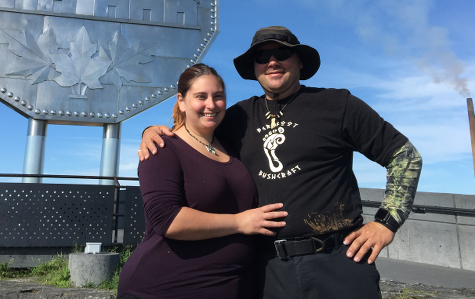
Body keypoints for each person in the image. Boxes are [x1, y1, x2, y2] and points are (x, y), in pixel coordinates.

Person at [140, 26, 422, 299]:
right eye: (262, 57)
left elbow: (404, 155)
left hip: (339, 262)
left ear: (299, 61)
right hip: (266, 270)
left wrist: (387, 222)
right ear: (254, 68)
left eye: (282, 53)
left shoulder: (338, 104)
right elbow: (195, 131)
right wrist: (152, 131)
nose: (272, 61)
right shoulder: (238, 118)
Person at [118, 64, 288, 299]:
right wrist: (240, 222)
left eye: (218, 97)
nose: (211, 105)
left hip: (232, 286)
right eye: (201, 96)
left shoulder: (231, 147)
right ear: (182, 100)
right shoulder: (163, 148)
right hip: (165, 288)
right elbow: (167, 219)